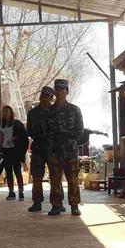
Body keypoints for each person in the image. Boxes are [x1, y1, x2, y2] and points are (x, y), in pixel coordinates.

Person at [46, 79, 83, 216]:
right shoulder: (49, 111)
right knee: (55, 180)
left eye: (63, 89)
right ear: (55, 92)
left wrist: (67, 137)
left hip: (70, 151)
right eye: (58, 89)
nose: (60, 92)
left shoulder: (74, 110)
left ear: (67, 91)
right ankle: (56, 205)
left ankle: (74, 206)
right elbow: (45, 131)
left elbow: (80, 130)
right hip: (54, 151)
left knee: (72, 180)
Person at [25, 87, 54, 212]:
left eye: (46, 96)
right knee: (36, 176)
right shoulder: (33, 113)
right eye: (42, 95)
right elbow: (29, 130)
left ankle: (57, 202)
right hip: (38, 148)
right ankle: (37, 202)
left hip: (52, 148)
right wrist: (39, 136)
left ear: (51, 98)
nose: (43, 98)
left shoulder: (54, 111)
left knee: (55, 176)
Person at [0, 105, 28, 201]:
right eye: (3, 111)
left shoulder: (17, 123)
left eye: (7, 111)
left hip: (15, 150)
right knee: (8, 172)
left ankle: (21, 192)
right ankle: (11, 192)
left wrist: (17, 139)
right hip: (6, 150)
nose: (5, 113)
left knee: (17, 171)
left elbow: (24, 137)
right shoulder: (1, 124)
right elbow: (0, 137)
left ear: (11, 113)